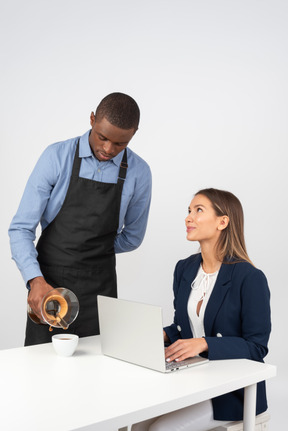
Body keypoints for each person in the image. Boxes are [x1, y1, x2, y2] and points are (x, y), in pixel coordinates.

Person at [9, 92, 152, 346]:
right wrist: (35, 281)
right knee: (42, 371)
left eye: (120, 144)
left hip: (100, 290)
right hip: (49, 287)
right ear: (92, 119)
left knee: (97, 373)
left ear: (134, 134)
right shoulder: (56, 157)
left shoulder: (139, 173)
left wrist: (97, 248)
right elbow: (20, 229)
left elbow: (132, 237)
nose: (108, 149)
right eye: (103, 137)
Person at [132, 188, 271, 431]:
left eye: (198, 210)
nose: (188, 218)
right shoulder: (184, 269)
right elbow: (182, 328)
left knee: (161, 430)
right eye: (188, 211)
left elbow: (256, 346)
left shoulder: (250, 277)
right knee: (136, 424)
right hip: (190, 378)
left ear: (222, 222)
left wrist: (205, 343)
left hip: (231, 390)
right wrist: (161, 335)